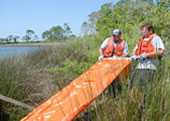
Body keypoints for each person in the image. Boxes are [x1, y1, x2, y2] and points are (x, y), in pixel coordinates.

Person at [129, 23, 165, 121]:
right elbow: (134, 51)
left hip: (150, 68)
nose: (142, 32)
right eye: (141, 30)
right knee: (134, 89)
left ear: (150, 30)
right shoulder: (140, 40)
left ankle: (146, 112)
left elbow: (161, 51)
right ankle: (138, 109)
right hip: (139, 68)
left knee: (147, 91)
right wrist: (134, 56)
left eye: (143, 30)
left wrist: (147, 54)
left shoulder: (156, 38)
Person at [99, 29, 128, 97]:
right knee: (108, 82)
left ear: (120, 36)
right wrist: (101, 55)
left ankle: (118, 96)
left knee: (118, 82)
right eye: (114, 36)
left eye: (117, 36)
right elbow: (101, 49)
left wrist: (118, 58)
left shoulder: (124, 43)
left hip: (118, 65)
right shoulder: (107, 40)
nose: (115, 37)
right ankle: (109, 96)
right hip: (107, 65)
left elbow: (126, 54)